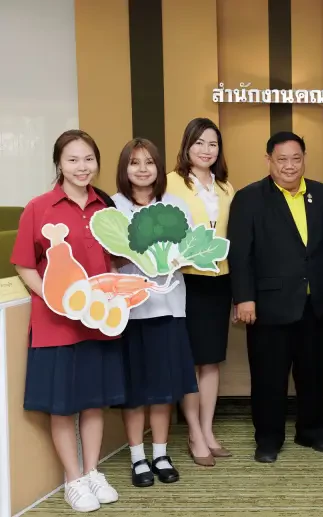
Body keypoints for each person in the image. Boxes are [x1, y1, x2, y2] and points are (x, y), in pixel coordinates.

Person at [12, 130, 123, 512]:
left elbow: (114, 261)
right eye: (73, 159)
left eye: (88, 159)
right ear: (59, 163)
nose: (82, 167)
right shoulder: (38, 207)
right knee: (62, 405)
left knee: (93, 402)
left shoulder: (105, 208)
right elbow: (25, 265)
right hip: (56, 323)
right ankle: (72, 479)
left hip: (97, 321)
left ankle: (92, 472)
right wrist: (56, 299)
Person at [228, 131, 323, 463]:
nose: (290, 166)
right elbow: (240, 254)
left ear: (304, 158)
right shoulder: (249, 198)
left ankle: (312, 431)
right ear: (268, 160)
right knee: (268, 376)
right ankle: (268, 438)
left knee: (314, 373)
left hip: (316, 304)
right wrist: (244, 298)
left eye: (296, 158)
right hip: (268, 306)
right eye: (282, 159)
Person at [111, 138, 199, 487]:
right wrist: (137, 252)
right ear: (124, 169)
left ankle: (161, 453)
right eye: (135, 163)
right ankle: (137, 457)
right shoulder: (113, 207)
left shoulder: (175, 205)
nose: (143, 169)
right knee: (135, 390)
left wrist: (172, 255)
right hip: (128, 311)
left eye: (149, 162)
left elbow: (189, 251)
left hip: (169, 307)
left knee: (162, 389)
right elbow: (109, 257)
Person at [166, 117, 235, 466]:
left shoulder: (226, 186)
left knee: (211, 360)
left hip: (219, 281)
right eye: (199, 143)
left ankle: (208, 429)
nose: (206, 150)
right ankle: (193, 432)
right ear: (187, 146)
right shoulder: (170, 184)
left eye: (213, 144)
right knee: (191, 361)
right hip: (186, 281)